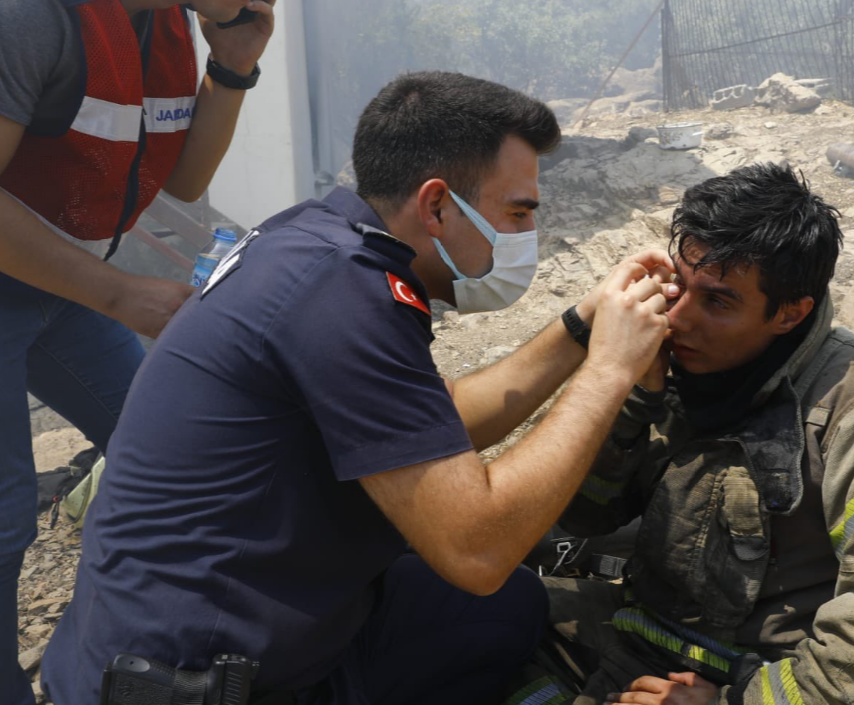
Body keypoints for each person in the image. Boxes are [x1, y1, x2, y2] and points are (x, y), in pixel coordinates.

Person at [42, 71, 677, 705]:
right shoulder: (343, 294)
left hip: (166, 628)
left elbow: (427, 418)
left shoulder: (318, 244)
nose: (523, 236)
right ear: (436, 205)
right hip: (197, 680)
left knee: (505, 610)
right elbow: (477, 550)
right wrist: (609, 371)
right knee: (488, 586)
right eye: (516, 212)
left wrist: (580, 328)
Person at [515, 163, 854, 705]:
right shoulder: (679, 364)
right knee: (464, 611)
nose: (678, 319)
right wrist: (633, 398)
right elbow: (586, 516)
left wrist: (735, 701)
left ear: (789, 313)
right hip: (642, 640)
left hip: (765, 675)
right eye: (679, 287)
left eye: (718, 301)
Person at [0, 1, 275, 703]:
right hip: (37, 279)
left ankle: (154, 649)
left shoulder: (159, 24)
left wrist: (233, 64)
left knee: (169, 443)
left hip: (56, 284)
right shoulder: (32, 19)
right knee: (5, 513)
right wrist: (120, 295)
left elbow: (181, 180)